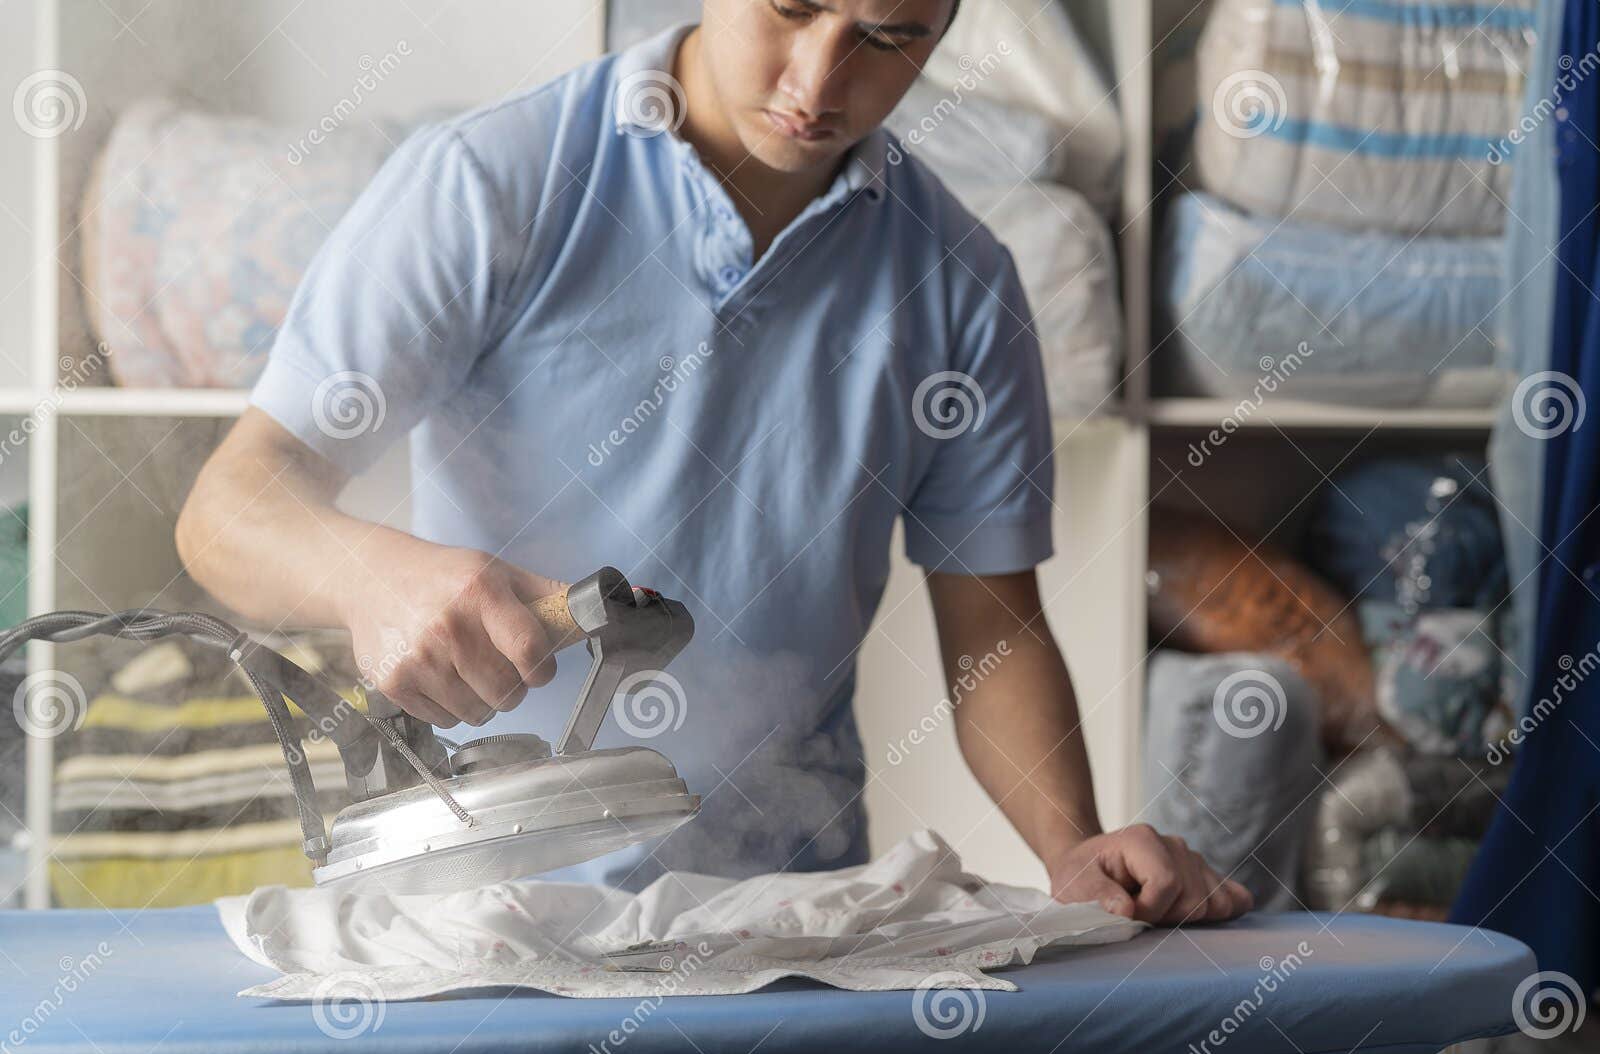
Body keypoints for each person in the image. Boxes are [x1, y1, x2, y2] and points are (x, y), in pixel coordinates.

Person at [177, 0, 1253, 925]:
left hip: (787, 919)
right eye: (790, 6)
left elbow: (994, 628)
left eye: (887, 35)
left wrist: (1071, 849)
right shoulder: (492, 185)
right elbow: (229, 509)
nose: (818, 81)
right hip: (479, 908)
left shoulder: (960, 282)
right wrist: (372, 573)